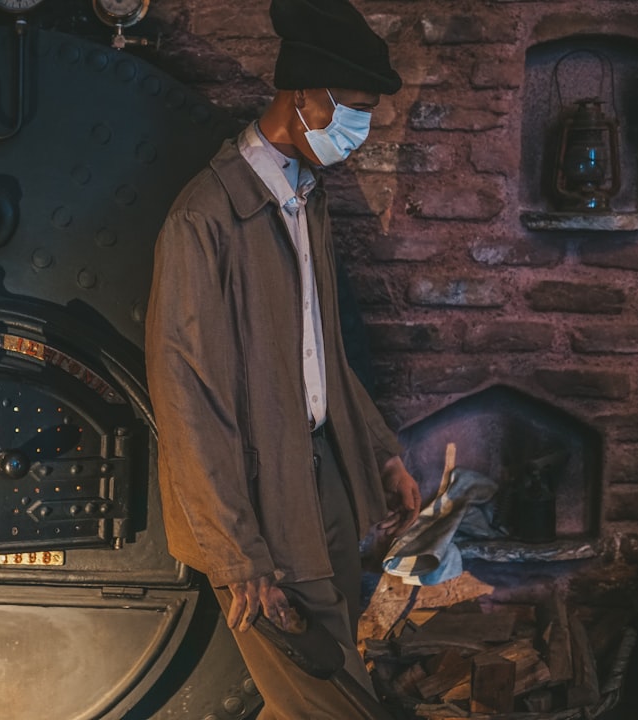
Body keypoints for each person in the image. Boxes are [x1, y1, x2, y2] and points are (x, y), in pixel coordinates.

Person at [144, 0, 422, 716]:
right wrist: (241, 557)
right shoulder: (204, 220)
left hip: (320, 478)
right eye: (353, 110)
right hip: (260, 505)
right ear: (303, 97)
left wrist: (382, 454)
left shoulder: (306, 200)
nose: (362, 130)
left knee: (306, 696)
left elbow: (321, 353)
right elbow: (187, 403)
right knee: (334, 700)